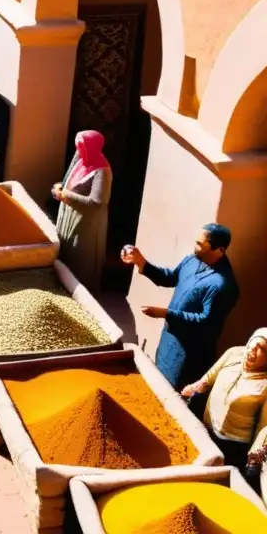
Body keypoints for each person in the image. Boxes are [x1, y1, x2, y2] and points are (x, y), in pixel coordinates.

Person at [121, 223, 239, 390]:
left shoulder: (222, 285)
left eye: (200, 244)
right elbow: (170, 278)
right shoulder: (192, 260)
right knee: (158, 383)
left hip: (189, 354)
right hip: (169, 340)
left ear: (219, 250)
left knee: (174, 395)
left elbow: (207, 323)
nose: (195, 246)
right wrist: (142, 262)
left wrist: (167, 314)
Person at [180, 328, 267, 478]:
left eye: (262, 348)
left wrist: (254, 456)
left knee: (214, 480)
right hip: (206, 427)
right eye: (253, 342)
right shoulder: (233, 354)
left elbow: (264, 426)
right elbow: (208, 378)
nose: (253, 348)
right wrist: (193, 388)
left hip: (232, 445)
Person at [52, 130, 112, 290]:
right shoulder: (80, 159)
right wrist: (58, 189)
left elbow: (96, 203)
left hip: (85, 224)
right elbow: (68, 183)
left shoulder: (101, 171)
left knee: (81, 260)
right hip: (68, 216)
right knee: (66, 253)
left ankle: (82, 295)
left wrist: (65, 195)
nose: (79, 150)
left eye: (82, 147)